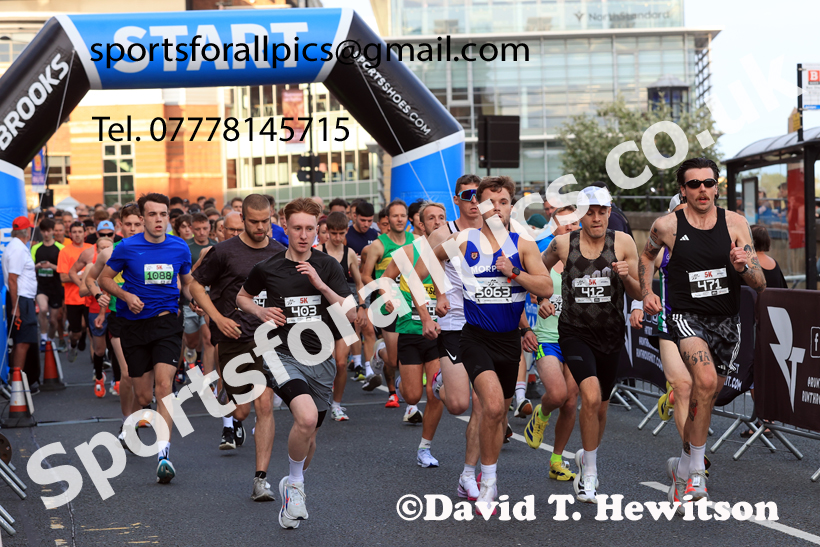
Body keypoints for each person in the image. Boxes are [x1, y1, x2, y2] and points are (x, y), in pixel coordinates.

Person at [640, 157, 766, 504]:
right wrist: (647, 292)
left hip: (727, 322)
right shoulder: (666, 225)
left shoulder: (736, 223)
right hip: (686, 317)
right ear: (683, 190)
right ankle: (697, 475)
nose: (702, 190)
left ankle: (682, 466)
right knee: (704, 381)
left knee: (707, 395)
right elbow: (647, 256)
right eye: (694, 184)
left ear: (717, 187)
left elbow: (761, 282)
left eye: (708, 183)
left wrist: (744, 267)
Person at [425, 176, 551, 514]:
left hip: (509, 341)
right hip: (475, 337)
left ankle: (479, 475)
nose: (496, 208)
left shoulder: (522, 244)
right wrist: (440, 294)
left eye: (504, 202)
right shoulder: (463, 241)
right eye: (489, 202)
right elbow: (428, 260)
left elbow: (547, 285)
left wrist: (515, 274)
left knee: (497, 414)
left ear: (511, 206)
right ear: (479, 206)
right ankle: (488, 484)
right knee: (492, 407)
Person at [236, 197, 356, 529]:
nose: (304, 235)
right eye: (297, 228)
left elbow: (350, 313)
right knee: (303, 418)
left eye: (309, 229)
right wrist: (260, 311)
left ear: (317, 230)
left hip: (321, 358)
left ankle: (293, 483)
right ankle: (296, 486)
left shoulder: (328, 265)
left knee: (310, 433)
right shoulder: (269, 267)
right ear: (284, 227)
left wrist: (319, 285)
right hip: (281, 354)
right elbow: (242, 297)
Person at [543, 185, 643, 503]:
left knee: (600, 408)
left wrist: (627, 277)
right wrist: (541, 296)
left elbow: (640, 293)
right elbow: (538, 270)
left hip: (611, 334)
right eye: (589, 211)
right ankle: (590, 476)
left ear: (609, 213)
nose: (596, 217)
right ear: (579, 213)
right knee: (589, 395)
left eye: (602, 211)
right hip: (575, 331)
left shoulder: (623, 242)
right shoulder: (562, 244)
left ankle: (587, 455)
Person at [190, 194, 285, 499]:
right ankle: (227, 400)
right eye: (254, 221)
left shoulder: (279, 251)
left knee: (265, 404)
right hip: (233, 337)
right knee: (242, 411)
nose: (260, 227)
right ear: (242, 219)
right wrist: (217, 318)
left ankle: (261, 480)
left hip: (267, 337)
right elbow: (194, 284)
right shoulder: (223, 252)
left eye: (265, 221)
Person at [99, 193, 194, 484]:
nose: (158, 220)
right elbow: (104, 279)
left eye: (163, 214)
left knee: (165, 385)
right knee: (143, 395)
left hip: (167, 323)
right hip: (133, 326)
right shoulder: (127, 247)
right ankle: (145, 416)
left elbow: (187, 284)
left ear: (169, 217)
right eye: (152, 215)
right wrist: (126, 295)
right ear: (142, 219)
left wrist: (195, 301)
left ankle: (163, 453)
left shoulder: (179, 247)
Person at [410, 174, 485, 498]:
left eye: (478, 195)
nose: (473, 200)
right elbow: (416, 277)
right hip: (453, 324)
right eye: (467, 195)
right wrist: (426, 313)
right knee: (457, 404)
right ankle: (441, 383)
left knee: (486, 406)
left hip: (489, 326)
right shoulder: (443, 234)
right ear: (457, 199)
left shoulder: (498, 230)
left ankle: (471, 474)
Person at [383, 202, 447, 466]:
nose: (437, 222)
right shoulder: (407, 252)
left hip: (439, 333)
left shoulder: (452, 252)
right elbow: (386, 279)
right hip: (409, 328)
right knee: (412, 396)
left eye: (441, 218)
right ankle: (391, 369)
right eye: (431, 218)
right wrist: (388, 298)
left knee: (435, 392)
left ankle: (425, 448)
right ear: (420, 223)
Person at [524, 205, 581, 481]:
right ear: (553, 227)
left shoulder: (589, 259)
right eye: (565, 224)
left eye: (574, 224)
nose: (571, 228)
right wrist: (540, 302)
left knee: (571, 403)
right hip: (549, 338)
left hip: (580, 337)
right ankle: (541, 413)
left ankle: (557, 460)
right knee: (557, 395)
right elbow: (523, 290)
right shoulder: (541, 256)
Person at [85, 203, 145, 445]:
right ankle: (127, 422)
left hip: (149, 318)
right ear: (120, 225)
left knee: (146, 379)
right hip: (120, 318)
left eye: (136, 224)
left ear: (144, 223)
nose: (132, 229)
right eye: (127, 224)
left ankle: (143, 411)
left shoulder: (157, 249)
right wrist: (98, 294)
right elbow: (91, 277)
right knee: (128, 373)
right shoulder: (109, 252)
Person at [360, 200, 414, 406]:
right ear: (387, 220)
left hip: (410, 305)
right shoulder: (378, 245)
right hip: (387, 307)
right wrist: (384, 292)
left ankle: (406, 398)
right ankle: (379, 351)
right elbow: (365, 276)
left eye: (402, 215)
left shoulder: (415, 241)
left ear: (407, 218)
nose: (399, 219)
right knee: (392, 360)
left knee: (405, 354)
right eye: (394, 216)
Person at [320, 212, 367, 422]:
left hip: (345, 311)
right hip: (323, 312)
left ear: (346, 231)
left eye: (341, 233)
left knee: (340, 363)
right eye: (333, 233)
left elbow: (358, 283)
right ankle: (322, 401)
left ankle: (337, 405)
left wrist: (362, 306)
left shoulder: (349, 254)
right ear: (326, 232)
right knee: (326, 363)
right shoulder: (317, 252)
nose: (337, 237)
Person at [3, 217, 40, 389]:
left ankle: (17, 380)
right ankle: (16, 383)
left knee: (24, 341)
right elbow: (12, 279)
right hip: (21, 300)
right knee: (23, 342)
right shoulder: (18, 248)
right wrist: (17, 307)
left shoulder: (17, 247)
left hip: (24, 299)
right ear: (26, 231)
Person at [182, 213, 217, 377]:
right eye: (198, 229)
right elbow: (185, 280)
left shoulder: (217, 246)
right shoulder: (185, 248)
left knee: (208, 339)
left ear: (210, 227)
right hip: (190, 299)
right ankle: (190, 352)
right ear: (191, 228)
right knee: (192, 341)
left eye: (205, 228)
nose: (202, 232)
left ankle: (208, 382)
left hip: (210, 299)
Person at [57, 221, 92, 362]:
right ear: (70, 234)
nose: (77, 235)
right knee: (76, 332)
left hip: (91, 297)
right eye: (75, 232)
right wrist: (82, 275)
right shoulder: (65, 251)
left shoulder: (91, 249)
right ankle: (73, 344)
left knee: (90, 328)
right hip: (73, 297)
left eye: (80, 231)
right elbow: (63, 276)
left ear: (85, 233)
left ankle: (98, 366)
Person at [31, 218, 65, 352]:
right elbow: (29, 268)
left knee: (53, 320)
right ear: (41, 232)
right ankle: (44, 338)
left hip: (56, 287)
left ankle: (50, 340)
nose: (46, 234)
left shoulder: (60, 248)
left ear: (53, 232)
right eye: (44, 231)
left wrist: (51, 266)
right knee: (43, 309)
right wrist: (37, 266)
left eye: (49, 231)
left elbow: (64, 269)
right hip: (41, 286)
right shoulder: (35, 248)